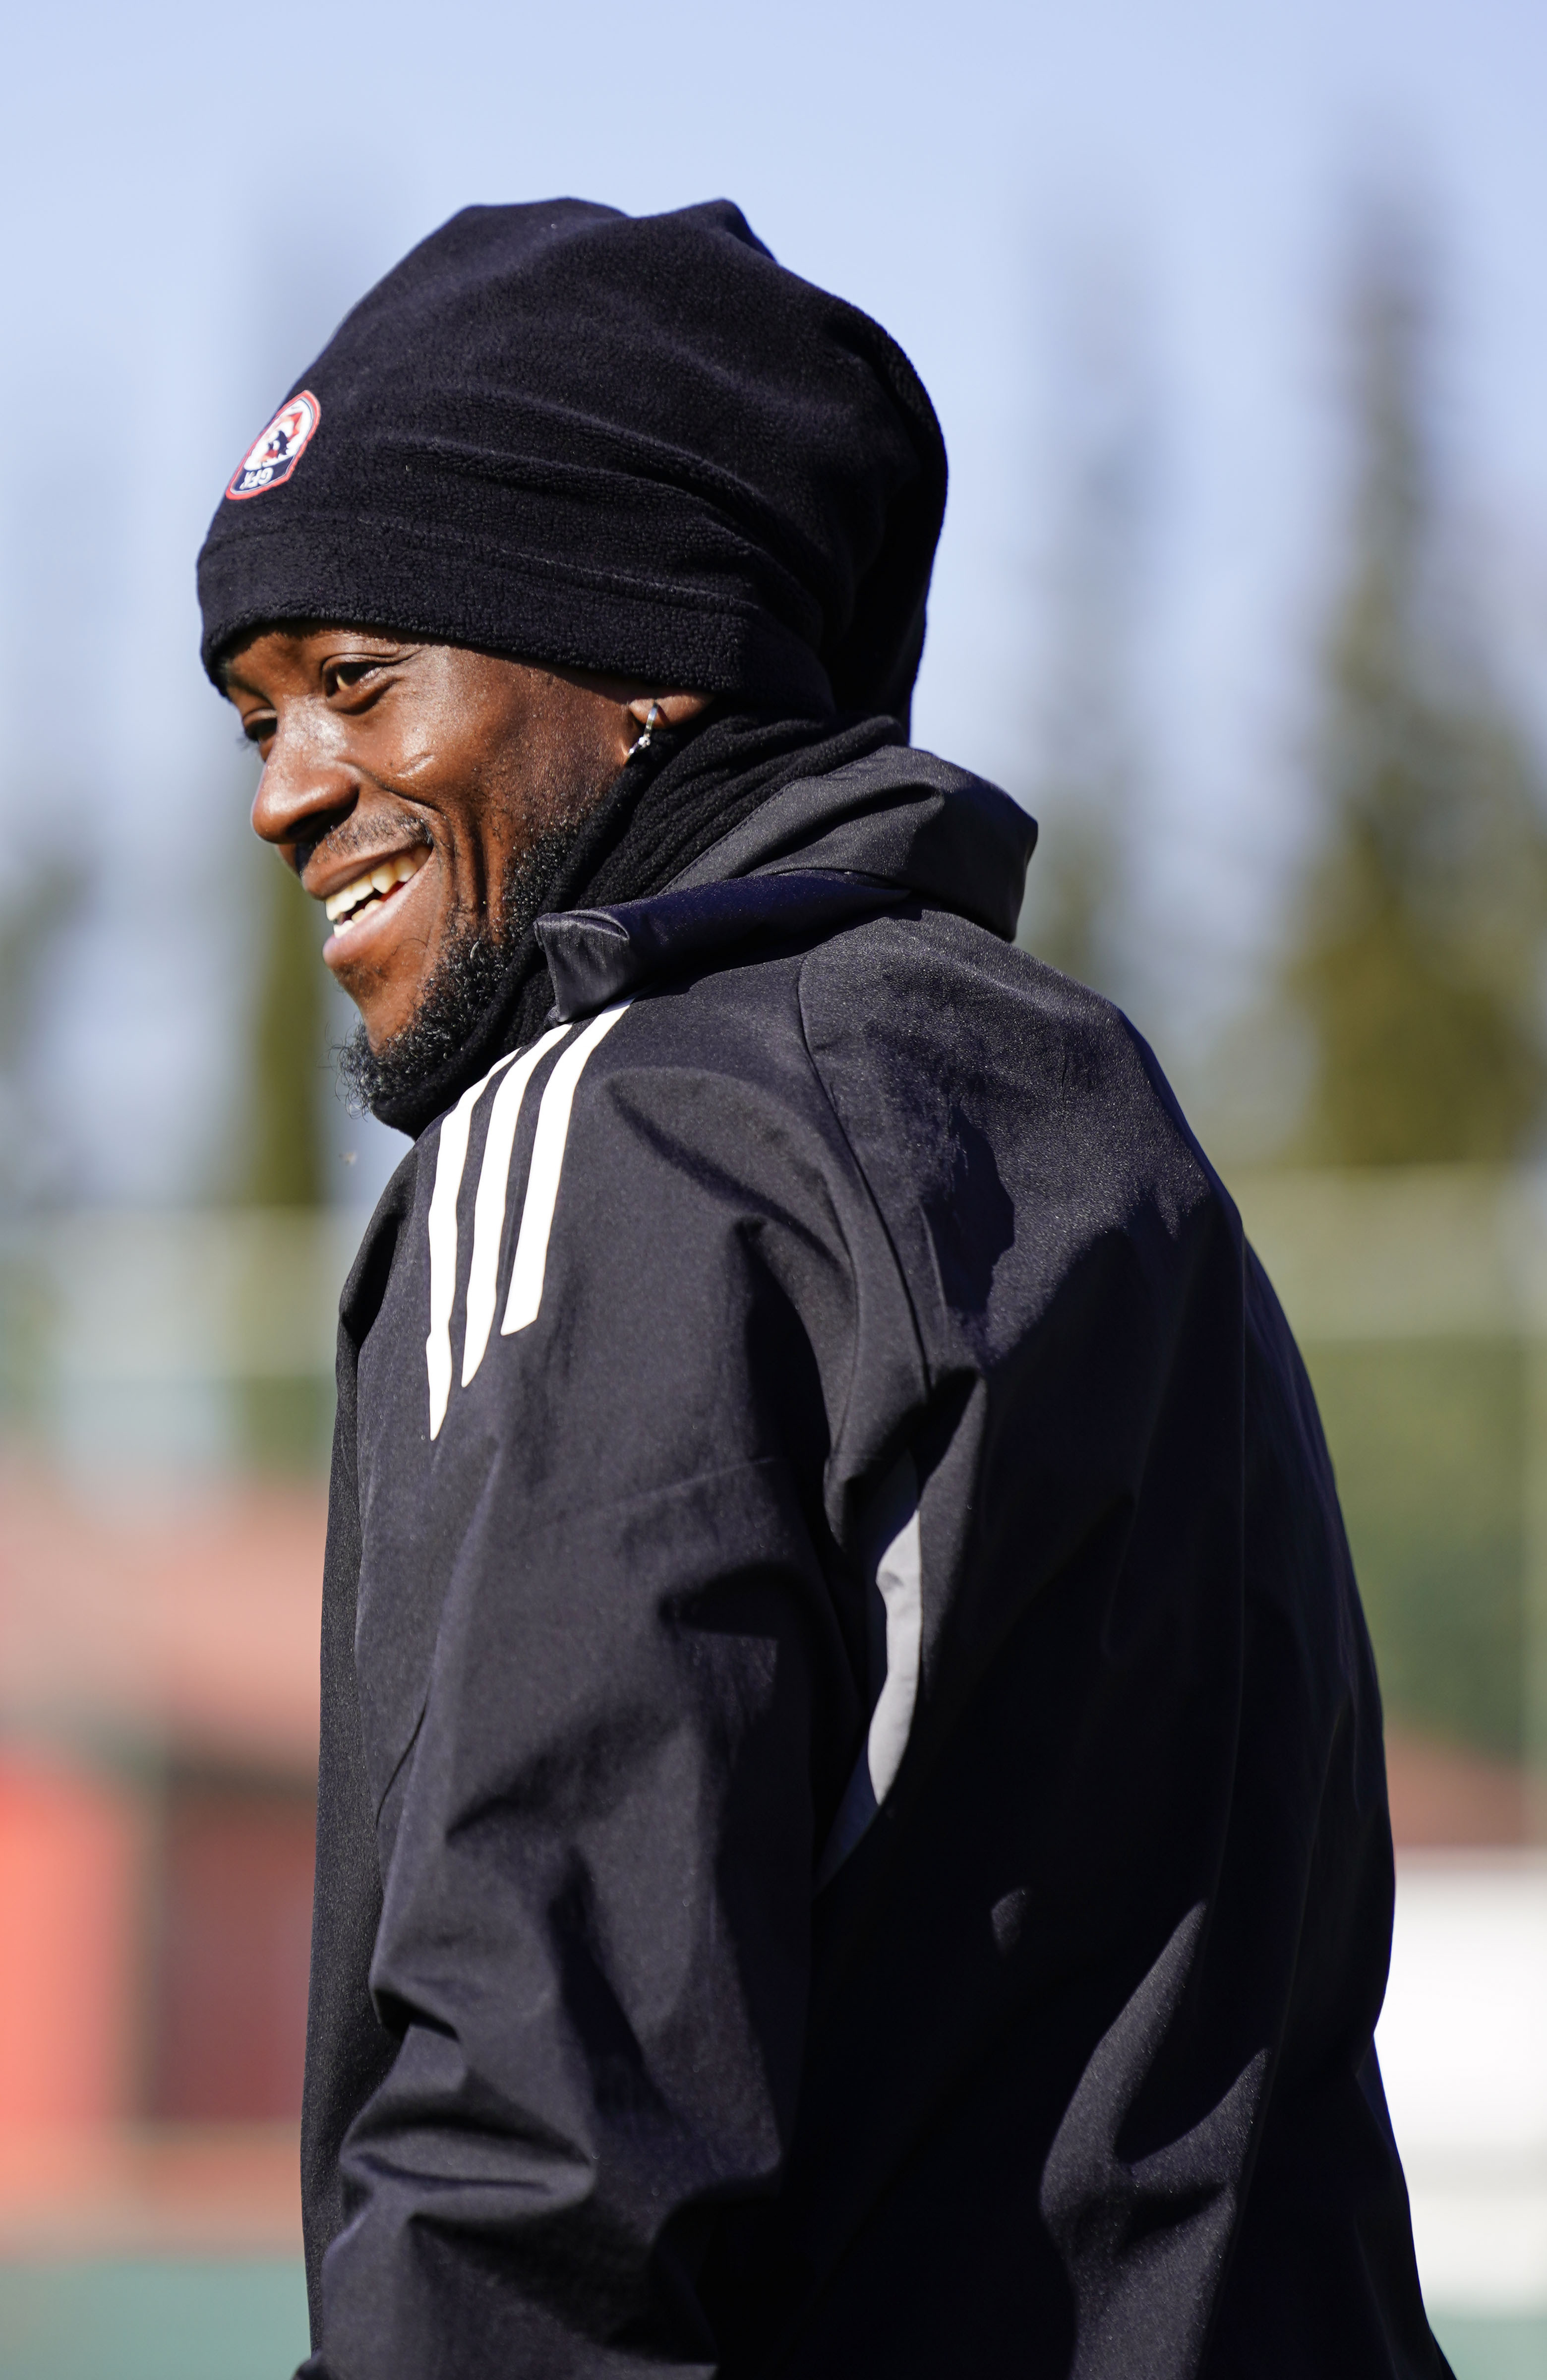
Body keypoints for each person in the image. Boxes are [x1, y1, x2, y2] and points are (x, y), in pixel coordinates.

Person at [197, 200, 1448, 2380]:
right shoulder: (1102, 1126)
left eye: (356, 680)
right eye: (254, 716)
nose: (286, 794)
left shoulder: (619, 1132)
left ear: (645, 657)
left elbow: (536, 2139)